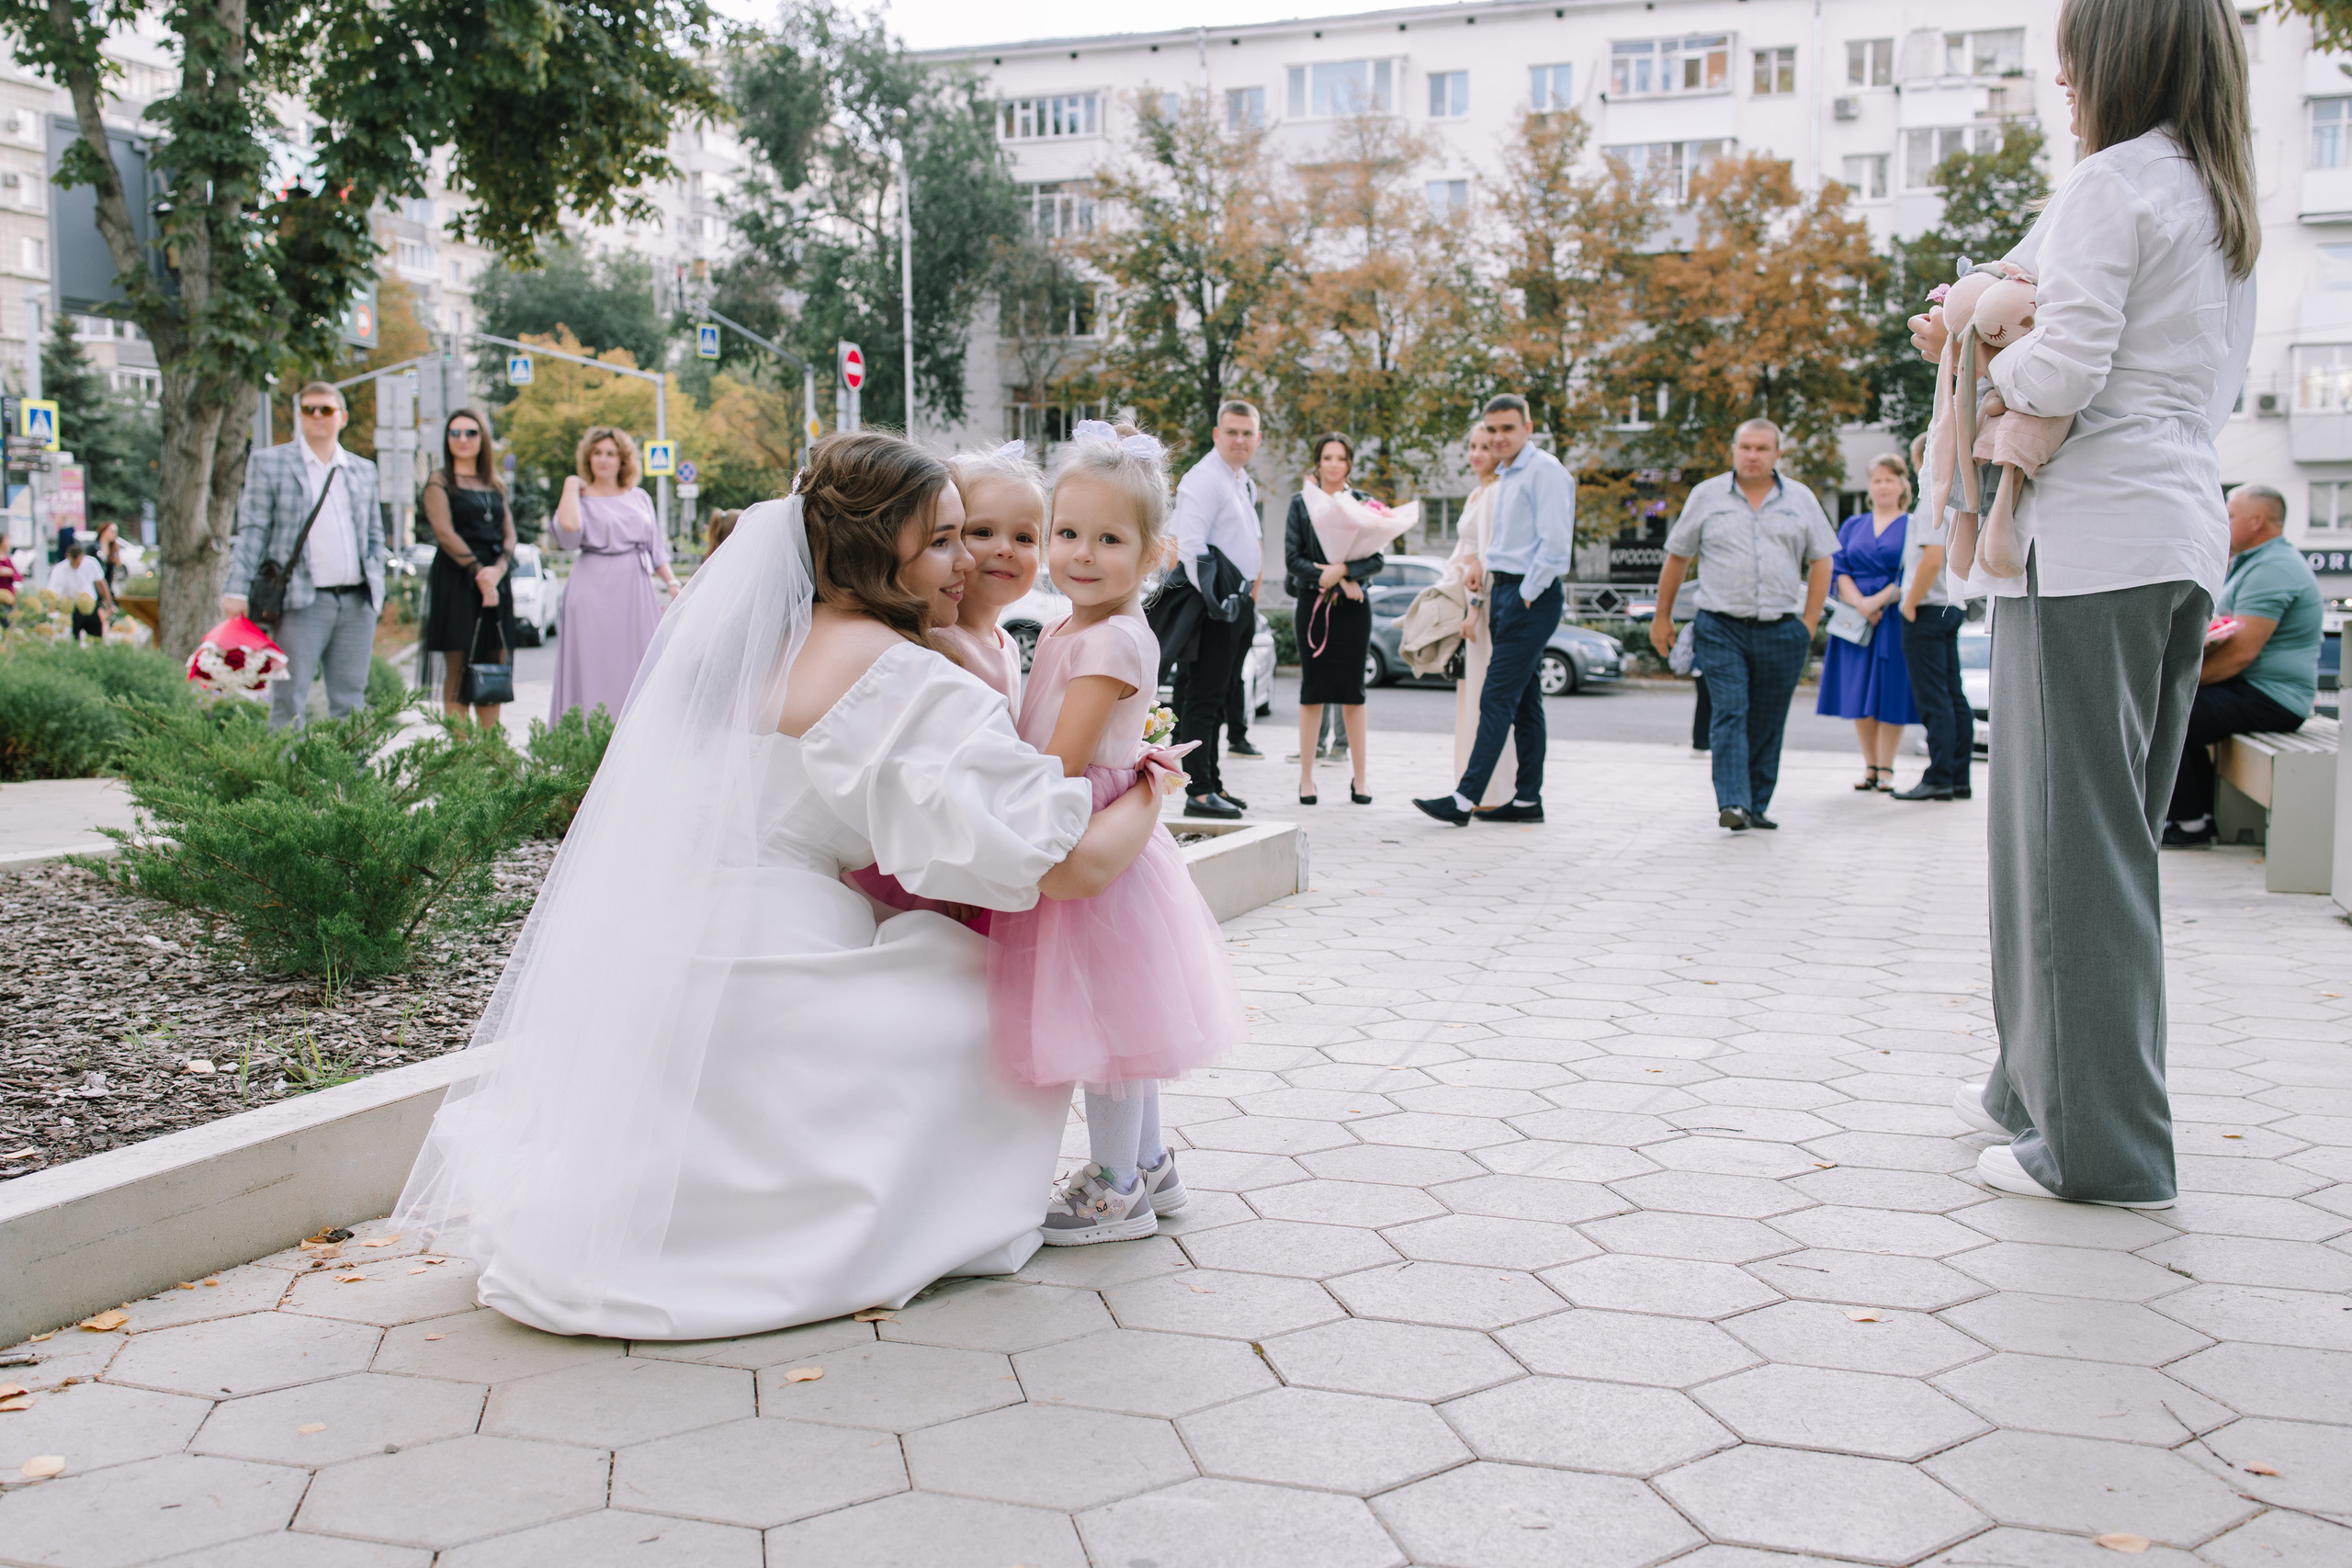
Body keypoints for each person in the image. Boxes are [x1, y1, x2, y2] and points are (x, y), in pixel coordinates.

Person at [393, 432, 1170, 1339]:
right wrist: (1151, 791)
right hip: (779, 966)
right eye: (944, 541)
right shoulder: (903, 681)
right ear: (879, 550)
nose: (970, 561)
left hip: (663, 955)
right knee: (982, 988)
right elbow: (1065, 866)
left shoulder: (760, 641)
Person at [1929, 0, 2257, 1210]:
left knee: (2066, 849)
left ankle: (2099, 1149)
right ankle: (2034, 1087)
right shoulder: (2222, 206)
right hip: (2175, 533)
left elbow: (2062, 368)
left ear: (2118, 55)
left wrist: (1974, 334)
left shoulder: (2113, 185)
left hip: (2094, 540)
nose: (2059, 75)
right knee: (2095, 840)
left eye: (2071, 53)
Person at [992, 419, 1237, 1245]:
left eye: (1108, 539)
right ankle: (1153, 1162)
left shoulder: (1111, 639)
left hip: (1091, 831)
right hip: (1099, 820)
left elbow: (1060, 758)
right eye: (1067, 533)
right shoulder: (1071, 626)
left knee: (1107, 1026)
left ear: (1154, 554)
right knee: (1125, 1021)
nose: (1081, 554)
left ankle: (1116, 1185)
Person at [1649, 420, 1835, 830]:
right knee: (1730, 711)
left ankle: (1756, 804)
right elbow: (1678, 556)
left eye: (1762, 448)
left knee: (1768, 719)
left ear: (1777, 454)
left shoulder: (1800, 499)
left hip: (1782, 627)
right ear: (1733, 449)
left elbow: (1822, 560)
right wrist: (1662, 617)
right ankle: (1733, 802)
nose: (1753, 455)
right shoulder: (1707, 495)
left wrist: (1808, 623)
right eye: (1745, 447)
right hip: (1720, 625)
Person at [1414, 394, 1571, 827]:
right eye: (1493, 429)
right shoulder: (1506, 477)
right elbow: (1500, 544)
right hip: (1502, 593)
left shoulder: (1546, 472)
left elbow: (1556, 548)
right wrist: (1485, 571)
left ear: (1527, 427)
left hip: (1529, 597)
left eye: (1507, 428)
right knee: (1525, 703)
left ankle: (1464, 800)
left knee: (1496, 696)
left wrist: (1526, 592)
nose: (1499, 437)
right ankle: (1527, 802)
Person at [2163, 484, 2322, 846]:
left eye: (2230, 514)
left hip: (2272, 698)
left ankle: (2190, 824)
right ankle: (2197, 816)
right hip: (2255, 690)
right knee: (2175, 711)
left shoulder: (2275, 569)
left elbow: (2241, 654)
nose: (2222, 519)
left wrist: (2179, 682)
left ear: (2258, 520)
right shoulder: (2258, 563)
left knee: (2167, 712)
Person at [222, 381, 384, 730]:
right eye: (308, 409)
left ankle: (351, 784)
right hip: (300, 604)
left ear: (342, 417)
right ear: (299, 416)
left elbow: (374, 534)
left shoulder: (362, 470)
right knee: (289, 699)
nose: (316, 416)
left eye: (325, 409)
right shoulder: (270, 463)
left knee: (351, 701)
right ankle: (288, 784)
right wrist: (235, 589)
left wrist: (377, 587)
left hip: (356, 602)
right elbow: (252, 531)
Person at [1165, 400, 1263, 819]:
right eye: (1233, 432)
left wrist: (1246, 602)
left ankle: (1212, 782)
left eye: (1248, 433)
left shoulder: (1241, 481)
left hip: (1237, 604)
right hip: (1214, 605)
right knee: (1203, 697)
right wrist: (1219, 602)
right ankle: (1199, 791)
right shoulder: (1203, 479)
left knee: (1220, 696)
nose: (1240, 440)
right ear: (1217, 435)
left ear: (1257, 438)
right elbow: (1190, 546)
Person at [548, 426, 680, 726]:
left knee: (639, 663)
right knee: (591, 665)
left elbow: (656, 549)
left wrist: (672, 584)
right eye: (597, 453)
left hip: (635, 588)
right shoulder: (579, 498)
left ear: (623, 459)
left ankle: (633, 738)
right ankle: (589, 741)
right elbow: (567, 534)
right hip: (590, 591)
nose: (603, 459)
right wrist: (570, 485)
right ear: (588, 458)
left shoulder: (639, 497)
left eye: (610, 453)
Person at [1287, 433, 1383, 806]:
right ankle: (1306, 778)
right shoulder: (1300, 505)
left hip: (1354, 610)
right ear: (1318, 461)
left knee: (1353, 694)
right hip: (1312, 603)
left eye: (1340, 458)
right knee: (1313, 691)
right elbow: (1292, 559)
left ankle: (1360, 780)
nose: (1333, 464)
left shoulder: (1363, 503)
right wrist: (1332, 577)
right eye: (1327, 457)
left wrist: (1344, 570)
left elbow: (1377, 559)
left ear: (1349, 463)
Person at [1816, 454, 1922, 790]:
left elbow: (1912, 572)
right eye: (1877, 480)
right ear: (1869, 487)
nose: (1883, 486)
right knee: (1859, 691)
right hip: (1855, 619)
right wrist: (1860, 603)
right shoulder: (1852, 525)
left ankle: (1888, 768)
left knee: (1889, 692)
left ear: (1902, 485)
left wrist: (1877, 601)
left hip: (1892, 617)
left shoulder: (1912, 524)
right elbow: (1840, 566)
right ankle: (1870, 766)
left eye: (1890, 479)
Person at [420, 410, 518, 728]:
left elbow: (510, 535)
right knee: (459, 664)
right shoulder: (439, 481)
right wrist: (481, 573)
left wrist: (497, 572)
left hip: (495, 579)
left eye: (471, 433)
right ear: (447, 439)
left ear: (483, 439)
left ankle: (491, 750)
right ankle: (461, 755)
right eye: (455, 433)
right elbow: (445, 533)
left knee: (494, 657)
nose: (463, 440)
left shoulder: (495, 483)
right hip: (458, 580)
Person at [1892, 438, 1973, 802]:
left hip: (1927, 608)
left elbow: (1931, 558)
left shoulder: (1932, 497)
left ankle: (1939, 774)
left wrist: (1909, 604)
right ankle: (1958, 777)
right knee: (1953, 695)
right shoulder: (1962, 493)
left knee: (1933, 698)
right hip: (1951, 606)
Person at [1439, 420, 1515, 807]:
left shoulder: (1499, 493)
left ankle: (1491, 791)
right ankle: (1473, 786)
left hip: (1482, 607)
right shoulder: (1476, 494)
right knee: (1471, 697)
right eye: (1472, 446)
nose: (1476, 454)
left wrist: (1473, 612)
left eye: (1484, 447)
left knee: (1487, 698)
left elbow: (1485, 557)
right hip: (1469, 602)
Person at [935, 442, 1046, 706]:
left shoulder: (1007, 643)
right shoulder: (941, 645)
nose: (1006, 550)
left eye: (1023, 537)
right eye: (983, 532)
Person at [47, 528, 111, 640]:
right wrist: (51, 611)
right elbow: (53, 592)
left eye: (79, 561)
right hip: (72, 607)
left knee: (96, 636)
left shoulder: (91, 563)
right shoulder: (59, 570)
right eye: (74, 561)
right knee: (73, 637)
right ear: (68, 557)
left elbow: (100, 583)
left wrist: (108, 602)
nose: (77, 563)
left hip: (90, 605)